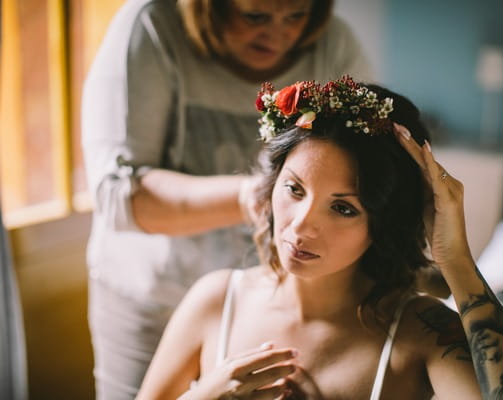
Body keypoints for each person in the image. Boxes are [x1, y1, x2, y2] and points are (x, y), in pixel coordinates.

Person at [136, 76, 503, 399]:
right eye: (295, 189)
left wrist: (458, 262)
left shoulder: (420, 333)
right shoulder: (214, 301)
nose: (301, 226)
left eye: (343, 208)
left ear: (383, 224)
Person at [81, 0, 373, 398]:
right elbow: (116, 193)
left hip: (263, 301)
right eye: (254, 16)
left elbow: (365, 156)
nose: (279, 34)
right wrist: (253, 195)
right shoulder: (151, 26)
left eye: (296, 15)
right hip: (151, 295)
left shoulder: (334, 43)